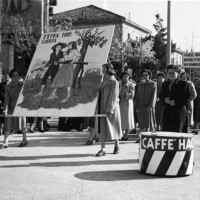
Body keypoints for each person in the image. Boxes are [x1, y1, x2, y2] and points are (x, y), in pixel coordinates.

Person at [95, 63, 122, 157]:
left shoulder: (114, 81)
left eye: (103, 69)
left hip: (111, 108)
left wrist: (110, 109)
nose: (102, 70)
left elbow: (113, 96)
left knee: (114, 126)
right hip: (102, 107)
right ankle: (103, 148)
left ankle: (117, 145)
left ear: (107, 69)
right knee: (103, 128)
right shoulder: (103, 81)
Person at [1, 69, 27, 148]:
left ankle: (24, 140)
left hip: (21, 108)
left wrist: (23, 84)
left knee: (22, 125)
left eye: (17, 75)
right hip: (11, 108)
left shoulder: (23, 85)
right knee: (7, 126)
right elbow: (6, 99)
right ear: (11, 77)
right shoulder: (7, 87)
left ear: (19, 76)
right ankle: (5, 142)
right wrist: (5, 110)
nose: (15, 77)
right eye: (14, 76)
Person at [160, 65, 190, 133]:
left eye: (173, 73)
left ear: (178, 73)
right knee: (166, 134)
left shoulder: (184, 84)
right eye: (169, 73)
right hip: (167, 112)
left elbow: (186, 98)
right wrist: (165, 100)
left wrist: (175, 102)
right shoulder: (164, 84)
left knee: (178, 134)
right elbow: (161, 96)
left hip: (179, 113)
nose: (171, 75)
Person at [135, 69, 157, 134]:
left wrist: (151, 105)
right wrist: (136, 106)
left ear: (149, 76)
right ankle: (140, 137)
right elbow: (137, 95)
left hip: (149, 106)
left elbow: (154, 96)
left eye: (146, 75)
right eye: (143, 75)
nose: (144, 76)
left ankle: (150, 137)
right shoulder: (140, 85)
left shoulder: (153, 84)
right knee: (142, 124)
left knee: (150, 123)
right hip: (141, 106)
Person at [119, 71, 135, 140]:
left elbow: (132, 94)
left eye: (126, 76)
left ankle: (126, 134)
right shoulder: (118, 83)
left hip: (127, 103)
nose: (125, 78)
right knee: (120, 119)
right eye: (124, 77)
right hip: (120, 103)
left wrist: (125, 94)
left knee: (127, 120)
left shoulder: (131, 84)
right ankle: (121, 133)